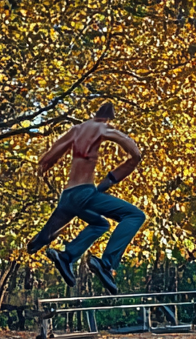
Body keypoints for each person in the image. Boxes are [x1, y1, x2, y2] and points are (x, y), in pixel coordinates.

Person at [27, 102, 145, 294]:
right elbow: (136, 154)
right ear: (108, 118)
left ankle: (67, 256)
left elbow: (48, 158)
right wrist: (113, 177)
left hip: (68, 196)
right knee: (135, 216)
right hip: (84, 193)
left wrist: (44, 169)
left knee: (101, 224)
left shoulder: (76, 130)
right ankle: (106, 264)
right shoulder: (103, 128)